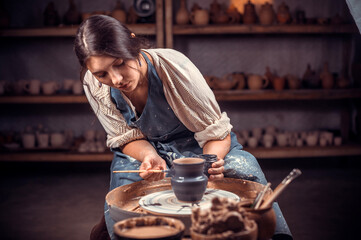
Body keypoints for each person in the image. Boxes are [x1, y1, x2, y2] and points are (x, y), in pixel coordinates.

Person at [74, 15, 292, 240]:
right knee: (122, 199)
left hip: (199, 144)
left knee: (244, 168)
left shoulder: (174, 67)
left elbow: (218, 133)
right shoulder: (94, 84)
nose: (116, 79)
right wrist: (149, 156)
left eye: (119, 63)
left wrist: (207, 164)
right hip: (143, 150)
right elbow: (124, 137)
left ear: (132, 42)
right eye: (102, 74)